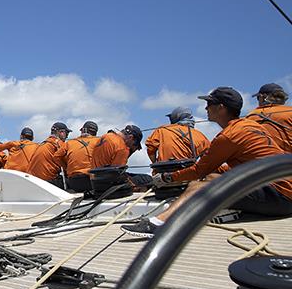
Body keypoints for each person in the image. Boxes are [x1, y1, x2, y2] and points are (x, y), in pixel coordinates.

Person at [122, 87, 292, 238]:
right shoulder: (249, 125)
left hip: (280, 197)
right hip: (282, 189)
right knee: (212, 177)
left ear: (221, 108)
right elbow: (241, 163)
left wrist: (167, 178)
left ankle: (159, 224)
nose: (205, 108)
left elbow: (198, 171)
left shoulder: (229, 136)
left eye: (209, 104)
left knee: (199, 185)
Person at [145, 107, 210, 163]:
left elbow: (150, 148)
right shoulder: (200, 135)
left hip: (164, 171)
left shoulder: (161, 130)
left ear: (176, 117)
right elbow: (209, 156)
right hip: (190, 173)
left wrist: (155, 164)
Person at [246, 83, 292, 153]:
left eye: (258, 98)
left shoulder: (250, 117)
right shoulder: (290, 112)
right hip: (287, 161)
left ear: (262, 97)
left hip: (262, 162)